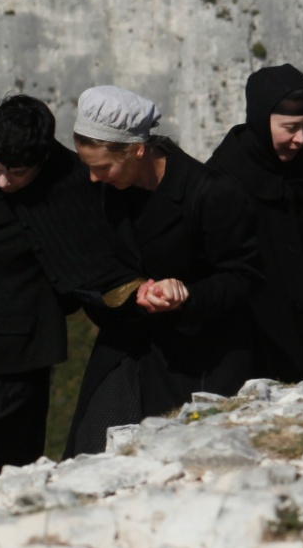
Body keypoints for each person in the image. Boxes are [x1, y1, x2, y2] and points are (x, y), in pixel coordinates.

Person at [0, 96, 139, 475]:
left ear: (42, 160)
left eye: (17, 173)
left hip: (12, 359)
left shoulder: (71, 184)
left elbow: (94, 261)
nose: (3, 181)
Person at [65, 85, 263, 458]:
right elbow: (95, 260)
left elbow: (245, 277)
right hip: (129, 348)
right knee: (98, 454)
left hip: (200, 358)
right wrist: (134, 290)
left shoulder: (211, 193)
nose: (93, 177)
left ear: (137, 151)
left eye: (102, 167)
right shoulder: (108, 189)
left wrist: (186, 295)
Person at [207, 65, 303, 381]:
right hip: (257, 343)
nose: (301, 139)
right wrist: (301, 299)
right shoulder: (223, 181)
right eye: (290, 127)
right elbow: (226, 277)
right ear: (261, 119)